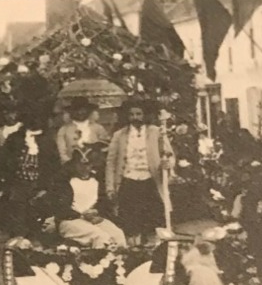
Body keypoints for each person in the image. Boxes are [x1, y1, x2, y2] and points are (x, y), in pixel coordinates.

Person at [105, 99, 174, 241]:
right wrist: (110, 187)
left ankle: (152, 250)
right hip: (128, 180)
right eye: (131, 114)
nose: (135, 117)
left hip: (150, 181)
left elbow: (168, 154)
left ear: (145, 115)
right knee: (130, 221)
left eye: (138, 114)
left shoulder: (156, 132)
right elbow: (111, 162)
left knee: (153, 220)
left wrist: (168, 164)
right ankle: (134, 250)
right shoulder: (119, 135)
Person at [56, 100, 107, 166]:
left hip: (94, 165)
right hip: (71, 166)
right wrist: (68, 163)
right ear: (71, 112)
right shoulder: (64, 130)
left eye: (83, 110)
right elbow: (61, 151)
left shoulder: (98, 128)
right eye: (76, 110)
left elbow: (105, 146)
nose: (80, 112)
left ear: (89, 111)